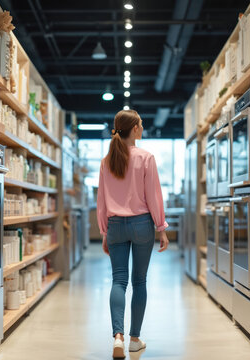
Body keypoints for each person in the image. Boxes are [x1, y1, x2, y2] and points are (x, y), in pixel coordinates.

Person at [96, 109, 170, 359]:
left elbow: (102, 202)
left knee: (118, 281)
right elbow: (154, 196)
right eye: (141, 123)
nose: (143, 126)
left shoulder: (106, 162)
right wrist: (161, 228)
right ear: (135, 129)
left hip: (115, 225)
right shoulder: (146, 158)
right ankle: (134, 340)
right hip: (141, 225)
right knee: (139, 282)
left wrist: (105, 232)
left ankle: (117, 337)